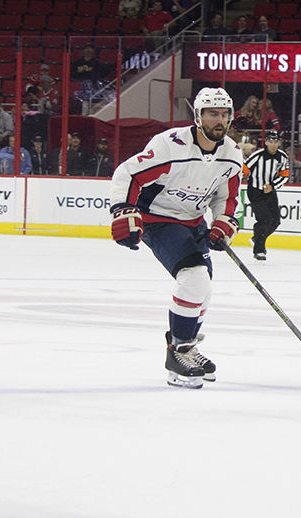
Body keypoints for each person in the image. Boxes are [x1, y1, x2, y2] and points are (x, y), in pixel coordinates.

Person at [108, 87, 242, 389]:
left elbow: (227, 195)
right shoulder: (172, 145)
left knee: (202, 288)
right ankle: (178, 353)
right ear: (198, 116)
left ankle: (186, 347)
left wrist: (222, 221)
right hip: (158, 219)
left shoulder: (231, 153)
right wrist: (123, 210)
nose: (219, 120)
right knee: (194, 279)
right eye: (212, 113)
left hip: (191, 222)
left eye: (224, 114)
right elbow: (127, 173)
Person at [243, 130, 289, 261]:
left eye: (276, 142)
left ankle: (256, 237)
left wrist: (272, 186)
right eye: (271, 141)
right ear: (266, 142)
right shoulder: (257, 155)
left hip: (270, 191)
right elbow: (244, 169)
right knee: (264, 220)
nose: (273, 144)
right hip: (255, 191)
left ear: (279, 143)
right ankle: (259, 250)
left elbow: (284, 175)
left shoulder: (282, 157)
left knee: (275, 221)